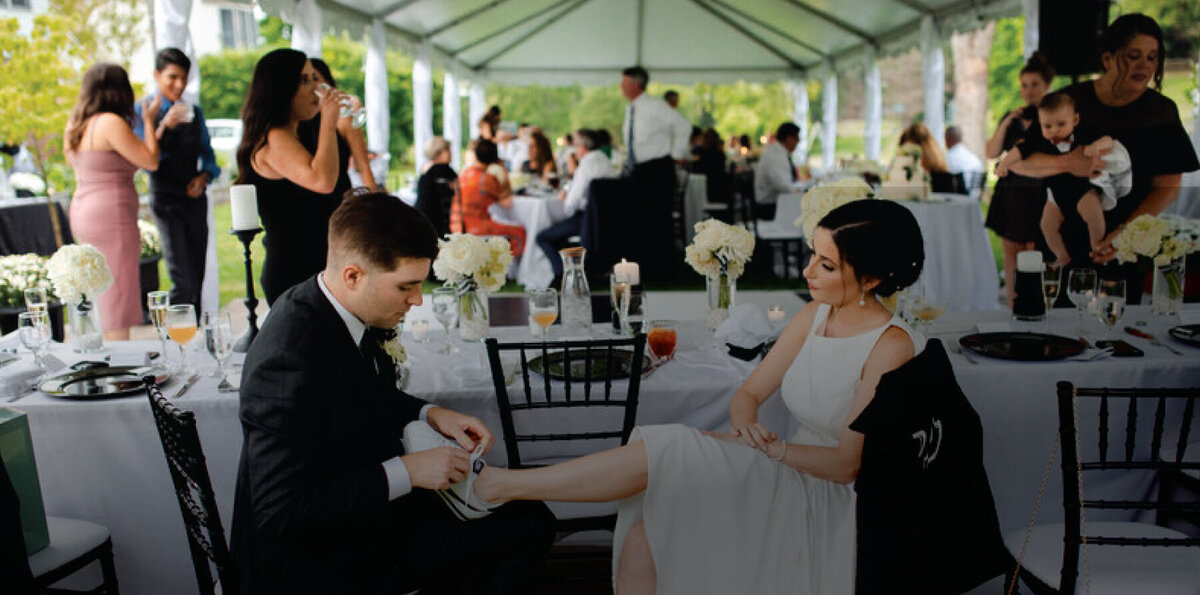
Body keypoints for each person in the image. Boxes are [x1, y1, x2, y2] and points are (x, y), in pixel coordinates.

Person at [430, 199, 925, 593]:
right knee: (647, 534)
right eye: (813, 255)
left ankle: (500, 485)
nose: (808, 272)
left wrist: (767, 448)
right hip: (776, 462)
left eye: (827, 265)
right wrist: (747, 424)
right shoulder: (815, 315)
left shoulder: (891, 345)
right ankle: (501, 485)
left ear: (873, 279)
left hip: (825, 494)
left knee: (669, 453)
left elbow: (846, 465)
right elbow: (749, 391)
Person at [231, 193, 555, 594]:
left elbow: (362, 393)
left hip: (356, 511)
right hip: (319, 559)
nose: (417, 300)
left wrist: (432, 414)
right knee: (529, 526)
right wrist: (408, 471)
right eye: (406, 286)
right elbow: (279, 511)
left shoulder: (329, 305)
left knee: (522, 511)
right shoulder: (288, 360)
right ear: (353, 275)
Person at [1005, 13, 1199, 305]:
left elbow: (1168, 186)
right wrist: (1067, 163)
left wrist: (1124, 233)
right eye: (1133, 56)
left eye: (1152, 57)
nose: (1144, 65)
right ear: (1108, 59)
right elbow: (1017, 163)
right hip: (1061, 242)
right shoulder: (1068, 101)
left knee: (1112, 335)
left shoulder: (1161, 111)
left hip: (1121, 246)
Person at [236, 49, 348, 305]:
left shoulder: (294, 133)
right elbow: (323, 181)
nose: (317, 87)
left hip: (314, 266)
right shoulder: (274, 138)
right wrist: (329, 121)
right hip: (295, 273)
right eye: (304, 80)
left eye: (315, 78)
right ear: (281, 87)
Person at [64, 63, 161, 340]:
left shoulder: (76, 124)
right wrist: (150, 121)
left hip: (84, 209)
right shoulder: (110, 123)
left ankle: (102, 354)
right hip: (111, 216)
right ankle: (119, 366)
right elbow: (150, 160)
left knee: (97, 290)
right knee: (117, 294)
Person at [997, 92, 1132, 265]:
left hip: (1082, 189)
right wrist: (1004, 164)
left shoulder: (1083, 132)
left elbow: (1109, 140)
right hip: (1055, 194)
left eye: (1061, 124)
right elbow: (1020, 150)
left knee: (1094, 215)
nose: (1055, 130)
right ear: (1040, 123)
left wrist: (1096, 146)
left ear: (1075, 120)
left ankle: (1097, 245)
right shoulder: (1037, 136)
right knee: (1046, 225)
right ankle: (1061, 254)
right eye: (1048, 126)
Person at [133, 48, 220, 315]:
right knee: (181, 276)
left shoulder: (194, 111)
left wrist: (204, 176)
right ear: (157, 76)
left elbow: (208, 155)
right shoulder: (143, 110)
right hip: (166, 201)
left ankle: (194, 337)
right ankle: (179, 339)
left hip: (194, 199)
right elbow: (148, 160)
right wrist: (164, 126)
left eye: (184, 78)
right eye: (173, 77)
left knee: (197, 274)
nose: (179, 85)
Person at [984, 52, 1054, 307]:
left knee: (1035, 251)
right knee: (1011, 251)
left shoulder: (1050, 117)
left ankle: (1035, 303)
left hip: (1038, 190)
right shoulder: (1012, 117)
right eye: (1024, 85)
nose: (1029, 91)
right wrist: (1007, 122)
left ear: (1046, 85)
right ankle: (1013, 304)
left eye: (1035, 84)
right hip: (1011, 191)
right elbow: (991, 152)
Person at [535, 129, 612, 277]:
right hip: (606, 220)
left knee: (543, 237)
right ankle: (575, 270)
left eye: (575, 146)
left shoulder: (586, 164)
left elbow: (571, 203)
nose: (574, 150)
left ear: (582, 147)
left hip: (586, 220)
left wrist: (566, 206)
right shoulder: (605, 160)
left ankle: (562, 274)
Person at [308, 58, 378, 191]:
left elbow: (363, 166)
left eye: (316, 79)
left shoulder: (344, 119)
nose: (312, 86)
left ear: (328, 83)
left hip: (339, 198)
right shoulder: (298, 122)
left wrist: (374, 205)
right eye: (305, 81)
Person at [452, 139, 525, 257]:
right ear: (495, 158)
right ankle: (510, 268)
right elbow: (505, 199)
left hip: (458, 225)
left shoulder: (465, 173)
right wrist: (502, 167)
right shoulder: (487, 179)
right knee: (519, 232)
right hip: (477, 227)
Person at [754, 122, 801, 220]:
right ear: (789, 138)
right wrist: (800, 192)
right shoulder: (776, 155)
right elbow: (782, 185)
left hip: (771, 205)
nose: (798, 142)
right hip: (770, 209)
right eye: (797, 138)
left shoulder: (777, 151)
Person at [415, 136, 457, 237]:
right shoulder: (444, 171)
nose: (451, 153)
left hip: (424, 219)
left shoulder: (427, 170)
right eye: (447, 150)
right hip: (440, 222)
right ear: (438, 153)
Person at [943, 125, 984, 191]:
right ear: (961, 138)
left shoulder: (944, 159)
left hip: (951, 198)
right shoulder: (976, 160)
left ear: (947, 139)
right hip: (973, 199)